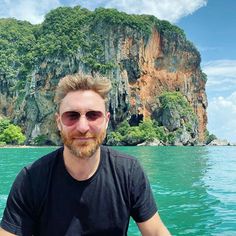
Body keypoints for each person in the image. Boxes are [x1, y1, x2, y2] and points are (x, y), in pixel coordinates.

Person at [0, 73, 171, 236]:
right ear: (59, 122)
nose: (83, 127)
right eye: (72, 116)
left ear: (106, 121)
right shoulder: (31, 179)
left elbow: (156, 231)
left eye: (93, 115)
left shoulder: (128, 171)